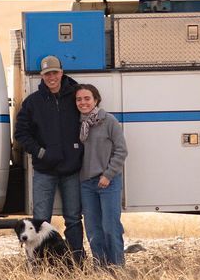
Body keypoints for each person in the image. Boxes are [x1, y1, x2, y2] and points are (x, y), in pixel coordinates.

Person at [14, 55, 85, 260]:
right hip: (44, 171)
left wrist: (77, 151)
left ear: (62, 73)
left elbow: (89, 119)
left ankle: (76, 261)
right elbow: (21, 134)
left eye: (55, 73)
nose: (51, 77)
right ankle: (39, 263)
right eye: (47, 74)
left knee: (72, 218)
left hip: (71, 170)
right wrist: (40, 152)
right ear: (42, 76)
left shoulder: (76, 97)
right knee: (40, 221)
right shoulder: (32, 103)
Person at [74, 83, 128, 267]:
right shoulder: (77, 124)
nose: (83, 102)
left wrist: (108, 175)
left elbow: (121, 151)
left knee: (110, 227)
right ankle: (101, 267)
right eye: (79, 99)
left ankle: (117, 267)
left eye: (87, 98)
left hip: (108, 182)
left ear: (96, 100)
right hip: (86, 184)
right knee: (93, 229)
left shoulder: (109, 121)